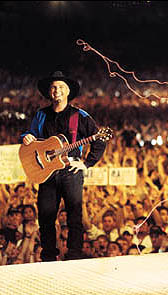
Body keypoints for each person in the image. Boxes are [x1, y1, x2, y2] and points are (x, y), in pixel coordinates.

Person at [21, 71, 106, 261]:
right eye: (53, 87)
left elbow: (99, 139)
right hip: (47, 171)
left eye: (60, 87)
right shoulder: (41, 115)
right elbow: (31, 136)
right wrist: (25, 137)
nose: (56, 90)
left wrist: (86, 162)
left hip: (70, 171)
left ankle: (74, 254)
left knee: (74, 215)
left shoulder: (80, 116)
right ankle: (49, 255)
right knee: (45, 215)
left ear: (68, 92)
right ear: (48, 92)